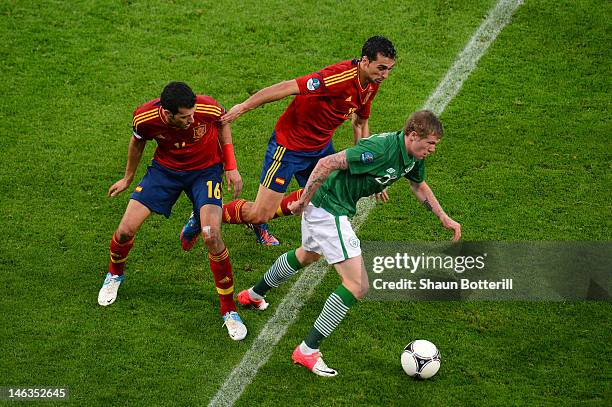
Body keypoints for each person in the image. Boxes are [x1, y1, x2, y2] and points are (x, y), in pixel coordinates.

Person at [237, 110, 461, 375]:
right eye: (431, 143)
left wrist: (443, 217)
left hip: (329, 206)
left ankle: (252, 295)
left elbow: (418, 185)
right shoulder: (379, 149)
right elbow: (326, 163)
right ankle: (307, 351)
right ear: (413, 135)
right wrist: (304, 200)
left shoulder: (411, 156)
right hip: (327, 208)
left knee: (307, 255)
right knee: (357, 285)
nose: (433, 149)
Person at [180, 35, 396, 248]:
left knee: (328, 196)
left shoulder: (371, 82)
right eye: (381, 68)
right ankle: (204, 216)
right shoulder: (337, 78)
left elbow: (359, 123)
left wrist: (365, 165)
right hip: (289, 146)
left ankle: (304, 242)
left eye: (389, 69)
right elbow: (286, 87)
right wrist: (243, 107)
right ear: (365, 61)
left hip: (320, 148)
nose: (385, 75)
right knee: (259, 213)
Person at [97, 81, 248, 341]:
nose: (191, 120)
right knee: (124, 230)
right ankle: (114, 274)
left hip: (206, 171)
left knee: (212, 235)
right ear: (167, 114)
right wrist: (127, 177)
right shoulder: (145, 118)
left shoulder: (207, 106)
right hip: (165, 171)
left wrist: (231, 166)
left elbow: (223, 123)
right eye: (184, 117)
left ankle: (229, 310)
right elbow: (137, 143)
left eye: (192, 114)